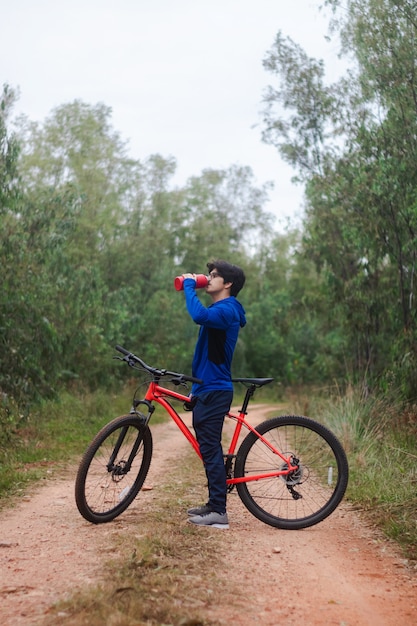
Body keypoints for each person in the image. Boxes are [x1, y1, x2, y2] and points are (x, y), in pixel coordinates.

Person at [181, 260, 246, 529]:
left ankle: (219, 512)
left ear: (228, 283)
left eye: (214, 275)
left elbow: (199, 316)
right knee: (209, 450)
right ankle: (212, 504)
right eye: (208, 274)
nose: (208, 278)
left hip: (215, 389)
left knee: (210, 449)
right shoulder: (221, 309)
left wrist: (188, 286)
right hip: (206, 388)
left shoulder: (228, 309)